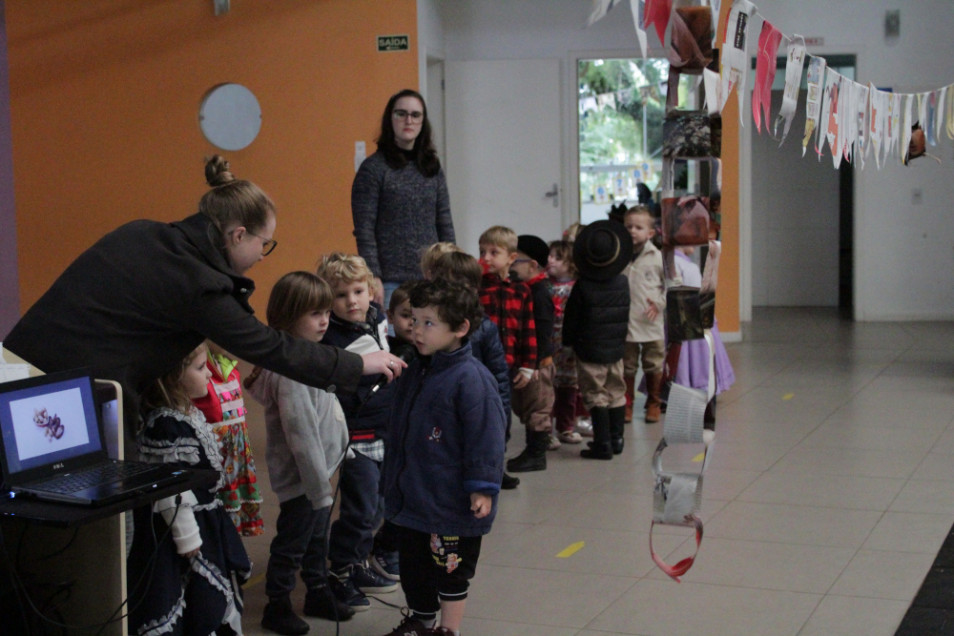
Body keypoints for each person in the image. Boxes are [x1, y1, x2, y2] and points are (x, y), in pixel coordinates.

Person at [3, 155, 404, 443]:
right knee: (92, 527)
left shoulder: (145, 232)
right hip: (62, 395)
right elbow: (267, 347)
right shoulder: (198, 283)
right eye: (265, 243)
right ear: (238, 235)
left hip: (15, 366)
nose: (263, 255)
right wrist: (356, 363)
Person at [380, 279, 506, 636]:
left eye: (428, 323)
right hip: (414, 496)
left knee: (451, 571)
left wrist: (482, 488)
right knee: (414, 569)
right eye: (413, 320)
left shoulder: (472, 379)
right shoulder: (416, 369)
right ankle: (421, 621)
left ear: (460, 329)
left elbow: (487, 439)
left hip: (450, 503)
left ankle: (448, 631)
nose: (416, 330)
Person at [244, 272, 354, 635]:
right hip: (304, 480)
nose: (324, 320)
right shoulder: (291, 372)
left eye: (326, 311)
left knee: (316, 538)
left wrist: (339, 449)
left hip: (320, 473)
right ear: (289, 316)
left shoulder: (308, 355)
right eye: (314, 314)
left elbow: (326, 411)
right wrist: (319, 488)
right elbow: (302, 435)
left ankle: (317, 591)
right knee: (293, 542)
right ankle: (277, 605)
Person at [128, 342, 250, 635]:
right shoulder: (167, 425)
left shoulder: (186, 413)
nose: (209, 374)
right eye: (199, 368)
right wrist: (187, 537)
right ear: (172, 378)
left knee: (211, 597)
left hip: (207, 520)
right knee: (193, 597)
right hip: (184, 529)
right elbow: (171, 489)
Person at [316, 253, 400, 611]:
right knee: (360, 509)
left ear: (371, 290)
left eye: (358, 290)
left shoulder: (377, 318)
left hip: (384, 430)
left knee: (380, 505)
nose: (352, 301)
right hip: (356, 438)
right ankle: (341, 571)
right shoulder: (329, 337)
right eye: (341, 295)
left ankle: (360, 561)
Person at [352, 89, 456, 308]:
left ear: (422, 122)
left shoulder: (432, 167)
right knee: (395, 340)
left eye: (415, 115)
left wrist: (451, 268)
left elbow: (444, 221)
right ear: (390, 119)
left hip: (433, 277)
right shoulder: (373, 169)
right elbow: (364, 229)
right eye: (401, 114)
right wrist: (374, 276)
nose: (408, 120)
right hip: (390, 281)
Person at [563, 220, 632, 460]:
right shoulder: (623, 282)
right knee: (616, 390)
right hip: (615, 348)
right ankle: (617, 439)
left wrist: (568, 343)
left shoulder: (583, 286)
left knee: (595, 394)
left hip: (590, 349)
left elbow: (572, 319)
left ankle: (602, 444)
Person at [425, 249, 512, 437]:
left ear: (474, 289)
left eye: (461, 285)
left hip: (474, 406)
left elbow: (499, 377)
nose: (453, 292)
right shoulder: (427, 326)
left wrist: (502, 423)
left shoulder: (485, 327)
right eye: (446, 284)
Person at [477, 225, 538, 490]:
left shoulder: (522, 290)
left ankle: (497, 470)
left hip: (508, 367)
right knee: (481, 420)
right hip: (481, 366)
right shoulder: (478, 288)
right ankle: (481, 470)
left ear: (511, 258)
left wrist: (528, 365)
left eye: (493, 252)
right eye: (482, 252)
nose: (486, 258)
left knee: (503, 419)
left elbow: (528, 329)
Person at [193, 341, 264, 537]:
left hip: (237, 449)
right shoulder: (199, 368)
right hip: (216, 450)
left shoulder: (229, 365)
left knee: (235, 499)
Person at [505, 235, 556, 473]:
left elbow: (543, 332)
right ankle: (532, 449)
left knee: (537, 409)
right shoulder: (523, 289)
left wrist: (534, 364)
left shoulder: (539, 293)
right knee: (526, 407)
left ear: (533, 265)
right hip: (528, 361)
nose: (510, 265)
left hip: (538, 364)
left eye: (515, 260)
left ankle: (537, 454)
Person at [671, 246, 735, 422]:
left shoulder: (683, 262)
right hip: (690, 318)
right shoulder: (679, 263)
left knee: (695, 356)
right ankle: (696, 387)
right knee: (694, 357)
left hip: (694, 317)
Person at [622, 205, 666, 424]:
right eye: (628, 226)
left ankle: (654, 403)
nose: (632, 230)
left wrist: (659, 303)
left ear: (650, 233)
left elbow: (671, 286)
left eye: (638, 227)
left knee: (654, 363)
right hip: (626, 321)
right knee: (627, 365)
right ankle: (626, 404)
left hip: (650, 321)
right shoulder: (619, 255)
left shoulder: (658, 257)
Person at [547, 239, 584, 447]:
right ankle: (546, 430)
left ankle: (566, 427)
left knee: (569, 386)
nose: (550, 260)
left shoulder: (576, 287)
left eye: (557, 257)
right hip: (549, 344)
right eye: (550, 256)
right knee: (548, 388)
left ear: (570, 263)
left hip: (568, 345)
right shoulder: (545, 285)